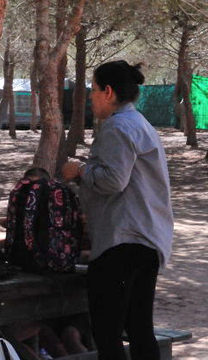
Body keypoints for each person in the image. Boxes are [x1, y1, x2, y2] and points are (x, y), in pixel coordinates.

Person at [62, 60, 174, 360]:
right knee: (139, 329)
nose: (90, 97)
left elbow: (113, 180)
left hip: (122, 243)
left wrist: (79, 170)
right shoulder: (138, 123)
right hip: (146, 240)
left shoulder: (118, 126)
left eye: (93, 90)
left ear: (108, 92)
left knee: (107, 334)